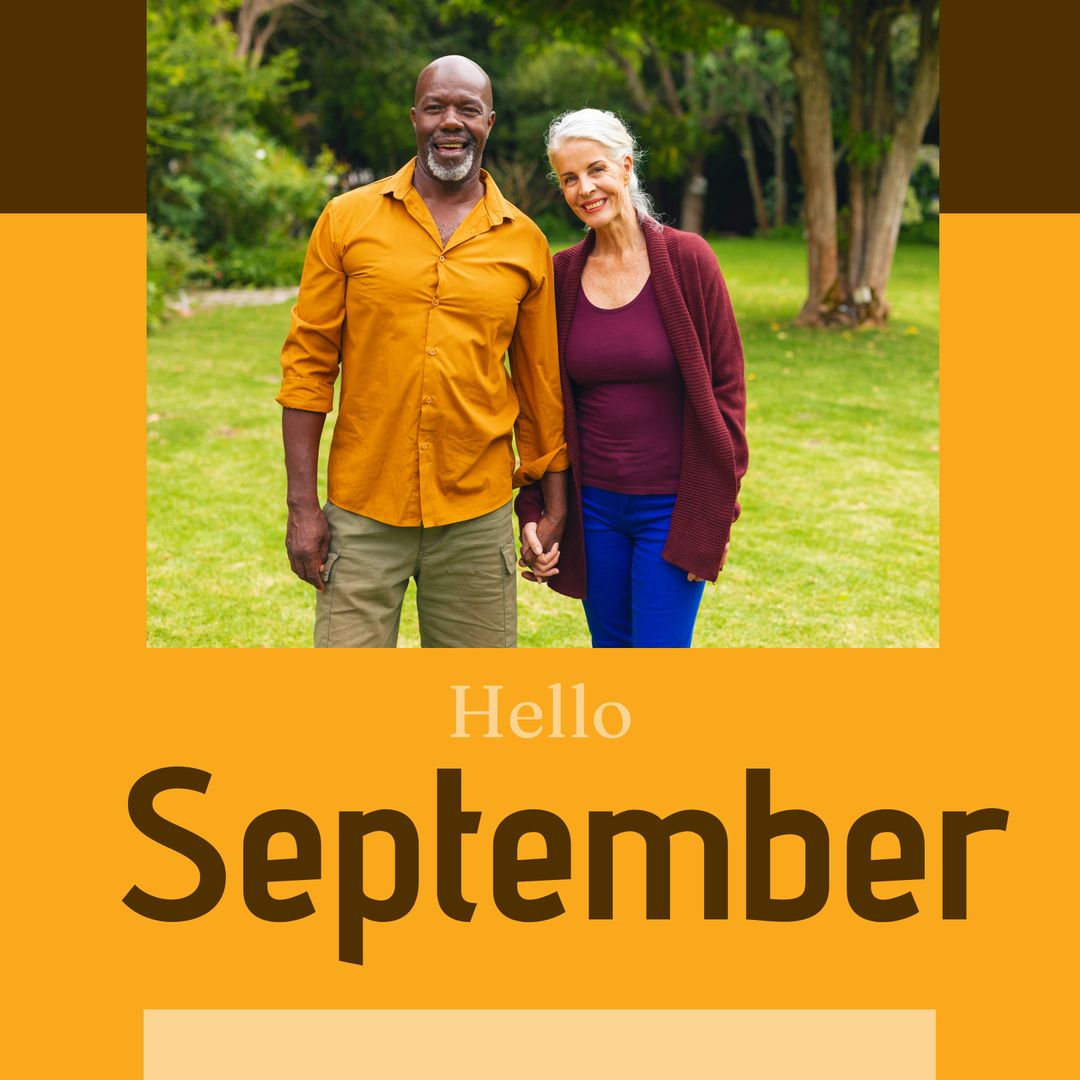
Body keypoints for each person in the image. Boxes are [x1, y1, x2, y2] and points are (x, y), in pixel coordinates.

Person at [278, 56, 569, 648]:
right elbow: (307, 368)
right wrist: (302, 508)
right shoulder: (345, 220)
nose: (451, 122)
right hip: (361, 511)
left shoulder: (525, 242)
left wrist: (552, 502)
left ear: (490, 120)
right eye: (436, 107)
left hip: (475, 514)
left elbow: (541, 384)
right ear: (414, 118)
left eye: (467, 109)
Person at [517, 108, 748, 648]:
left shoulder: (689, 260)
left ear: (625, 167)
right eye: (569, 178)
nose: (584, 188)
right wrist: (534, 507)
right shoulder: (562, 275)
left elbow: (728, 395)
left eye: (596, 170)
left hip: (672, 508)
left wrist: (716, 514)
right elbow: (540, 401)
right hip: (593, 509)